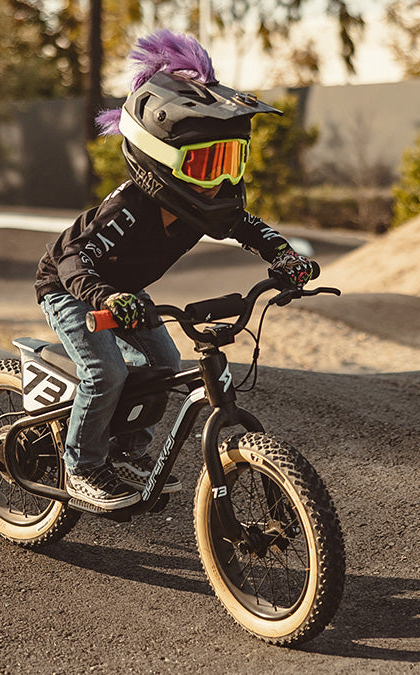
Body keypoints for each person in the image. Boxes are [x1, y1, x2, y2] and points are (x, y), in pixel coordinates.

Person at [34, 30, 315, 510]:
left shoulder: (203, 205)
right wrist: (103, 298)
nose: (221, 180)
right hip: (74, 290)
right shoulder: (129, 208)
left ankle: (125, 449)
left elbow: (251, 228)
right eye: (207, 164)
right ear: (162, 160)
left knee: (164, 365)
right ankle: (81, 466)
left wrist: (284, 258)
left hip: (124, 292)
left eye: (230, 160)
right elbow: (73, 260)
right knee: (105, 371)